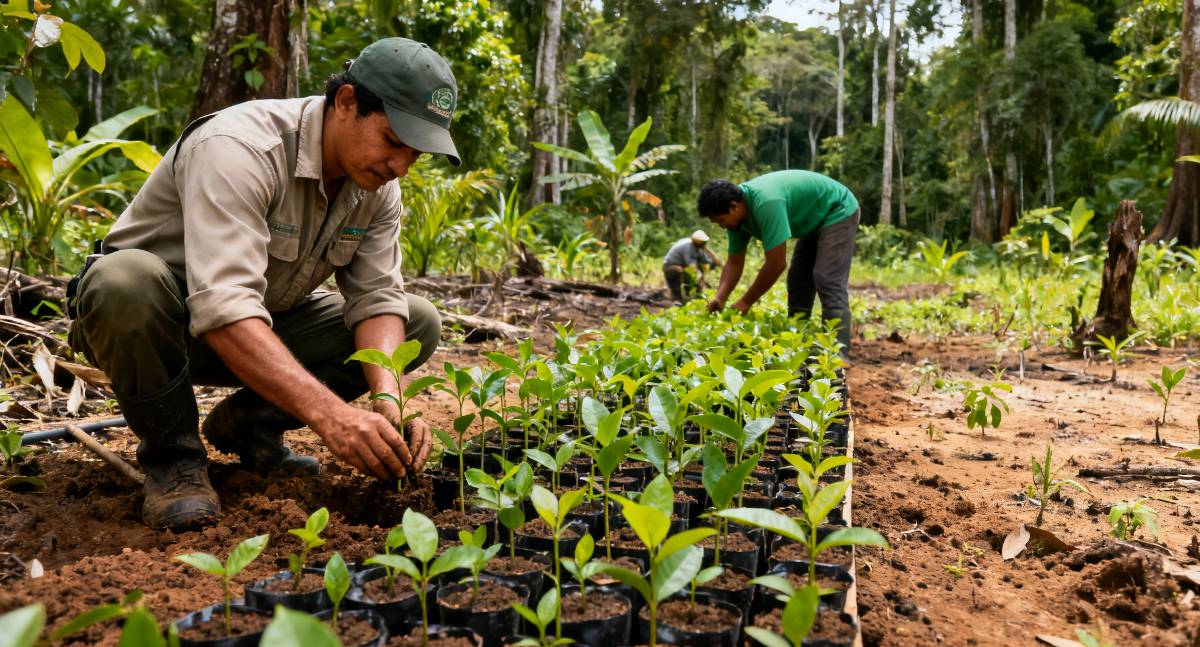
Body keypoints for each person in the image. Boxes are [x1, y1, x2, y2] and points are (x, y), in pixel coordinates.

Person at [65, 37, 459, 530]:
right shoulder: (240, 148)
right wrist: (332, 417)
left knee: (416, 321)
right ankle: (174, 462)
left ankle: (250, 426)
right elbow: (224, 306)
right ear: (346, 103)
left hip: (258, 328)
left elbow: (377, 296)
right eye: (394, 141)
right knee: (123, 281)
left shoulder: (376, 186)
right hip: (152, 328)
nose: (400, 165)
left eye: (415, 154)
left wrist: (389, 399)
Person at [698, 170, 860, 352]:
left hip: (837, 209)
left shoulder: (766, 203)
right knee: (798, 279)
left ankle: (838, 352)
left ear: (734, 206)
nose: (722, 226)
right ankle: (797, 337)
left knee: (827, 278)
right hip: (813, 221)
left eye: (721, 220)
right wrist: (720, 297)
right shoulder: (738, 222)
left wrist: (746, 301)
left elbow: (776, 264)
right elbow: (734, 262)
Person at [662, 230, 721, 303]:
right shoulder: (688, 247)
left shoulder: (698, 249)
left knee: (695, 272)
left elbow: (706, 261)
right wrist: (698, 277)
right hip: (670, 267)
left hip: (683, 267)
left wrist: (713, 260)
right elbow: (691, 265)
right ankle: (678, 299)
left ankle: (694, 296)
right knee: (684, 273)